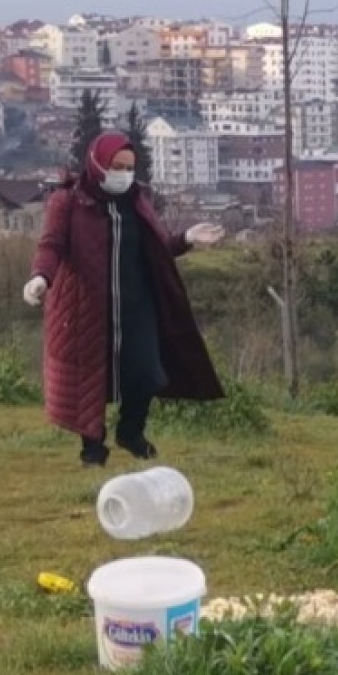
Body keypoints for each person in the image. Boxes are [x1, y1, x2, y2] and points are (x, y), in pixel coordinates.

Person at [23, 131, 226, 467]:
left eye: (129, 167)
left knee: (148, 374)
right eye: (116, 166)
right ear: (97, 163)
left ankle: (130, 432)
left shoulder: (138, 199)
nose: (123, 174)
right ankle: (92, 450)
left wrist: (187, 238)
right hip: (87, 308)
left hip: (137, 307)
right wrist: (40, 277)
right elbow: (52, 245)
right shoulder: (68, 201)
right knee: (90, 380)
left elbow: (158, 249)